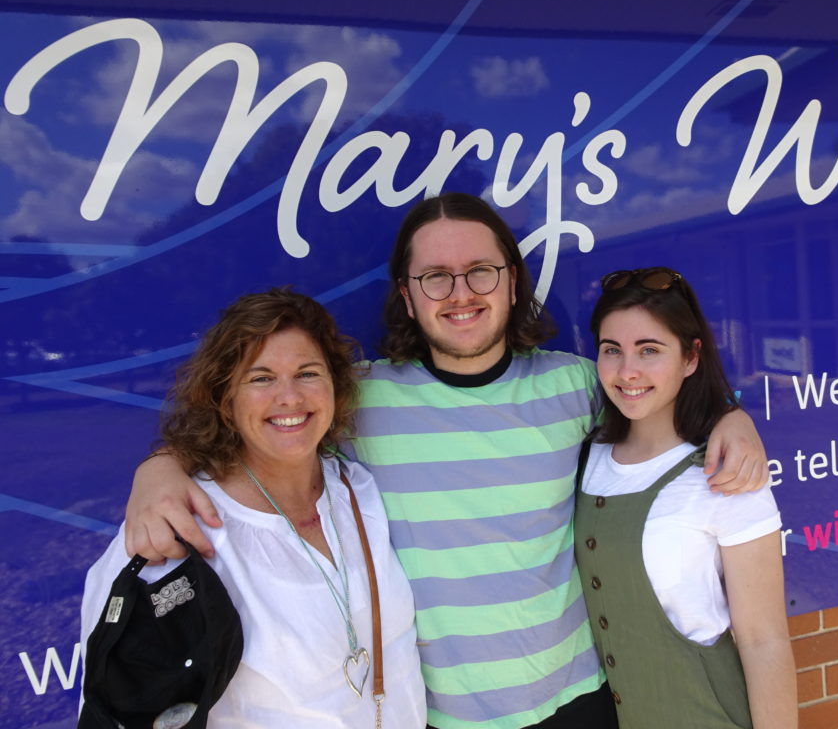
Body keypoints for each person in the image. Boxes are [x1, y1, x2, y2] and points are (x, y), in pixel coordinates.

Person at [124, 194, 771, 729]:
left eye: (480, 271)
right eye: (435, 276)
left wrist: (735, 419)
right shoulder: (361, 396)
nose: (459, 292)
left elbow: (665, 394)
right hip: (437, 717)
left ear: (511, 281)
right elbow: (253, 420)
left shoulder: (573, 385)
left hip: (579, 703)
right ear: (407, 295)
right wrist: (158, 469)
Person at [81, 289, 426, 728]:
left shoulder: (359, 488)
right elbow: (122, 707)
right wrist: (159, 467)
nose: (289, 397)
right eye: (261, 378)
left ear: (335, 386)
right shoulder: (178, 529)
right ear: (226, 400)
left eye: (308, 373)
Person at [575, 267, 797, 728]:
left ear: (691, 358)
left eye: (649, 350)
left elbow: (763, 638)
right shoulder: (585, 454)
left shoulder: (726, 473)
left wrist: (734, 417)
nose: (627, 370)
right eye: (611, 350)